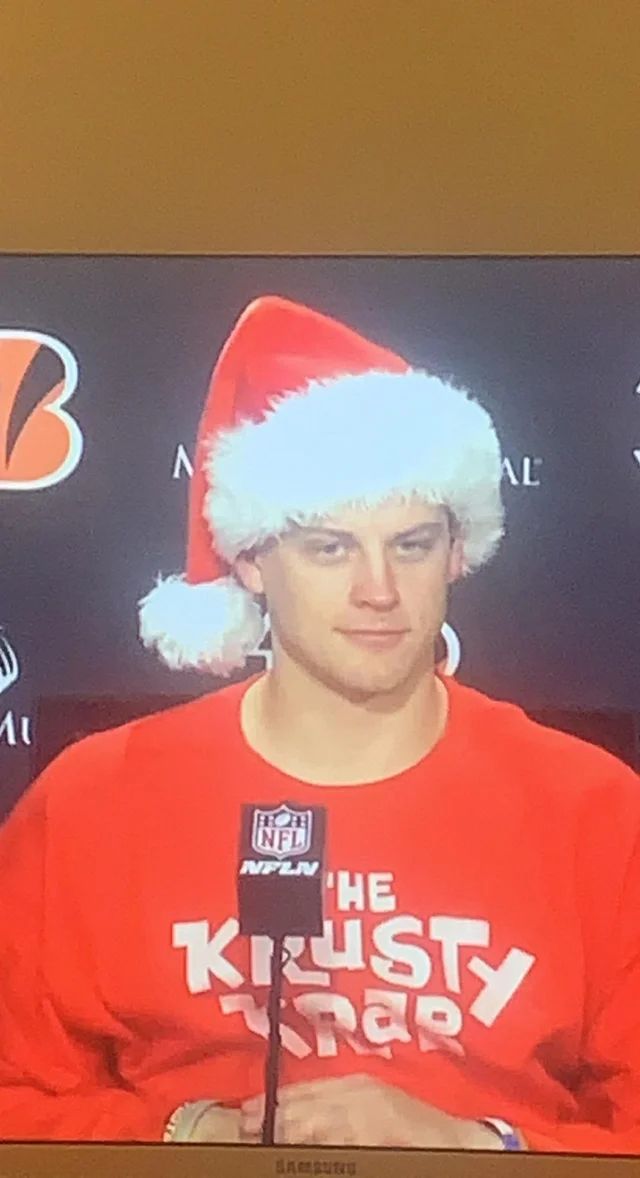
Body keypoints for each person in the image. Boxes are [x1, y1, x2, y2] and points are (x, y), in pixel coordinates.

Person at [0, 295, 639, 1152]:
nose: (379, 590)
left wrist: (480, 1149)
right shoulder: (94, 800)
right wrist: (187, 1136)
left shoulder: (593, 812)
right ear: (253, 562)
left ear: (458, 553)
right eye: (330, 548)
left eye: (411, 545)